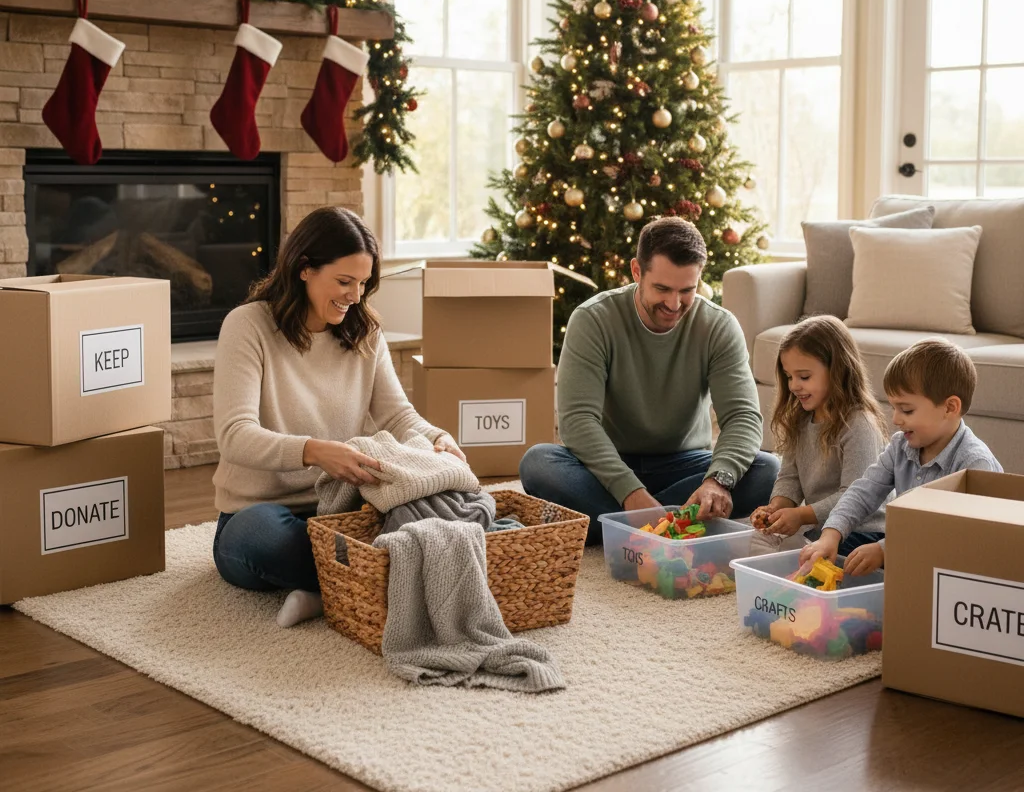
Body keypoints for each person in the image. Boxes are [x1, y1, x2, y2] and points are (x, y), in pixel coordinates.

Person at [211, 206, 462, 626]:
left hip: (345, 513)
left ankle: (328, 588)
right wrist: (314, 452)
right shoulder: (248, 326)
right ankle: (379, 581)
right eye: (344, 281)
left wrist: (438, 438)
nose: (356, 296)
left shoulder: (365, 331)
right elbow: (235, 436)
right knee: (260, 536)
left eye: (363, 283)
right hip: (263, 511)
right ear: (304, 268)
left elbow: (397, 415)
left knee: (442, 513)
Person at [519, 217, 778, 544]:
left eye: (687, 290)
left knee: (769, 469)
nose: (674, 304)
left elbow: (743, 417)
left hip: (686, 464)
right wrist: (631, 493)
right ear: (637, 272)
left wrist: (717, 482)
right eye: (662, 289)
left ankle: (618, 527)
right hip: (607, 464)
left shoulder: (718, 326)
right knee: (539, 463)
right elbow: (577, 421)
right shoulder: (593, 320)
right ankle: (671, 524)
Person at [800, 338, 1003, 577]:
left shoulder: (974, 463)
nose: (895, 419)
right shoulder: (901, 445)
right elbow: (863, 491)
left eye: (906, 410)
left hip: (958, 564)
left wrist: (886, 549)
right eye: (894, 407)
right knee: (838, 553)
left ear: (950, 408)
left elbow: (957, 535)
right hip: (910, 550)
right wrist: (830, 533)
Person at [751, 315, 888, 555]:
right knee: (771, 552)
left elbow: (856, 495)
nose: (794, 385)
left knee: (815, 563)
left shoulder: (858, 423)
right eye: (789, 376)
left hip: (865, 531)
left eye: (804, 377)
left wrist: (802, 515)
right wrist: (777, 507)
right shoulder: (801, 420)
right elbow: (790, 477)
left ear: (837, 371)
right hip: (822, 530)